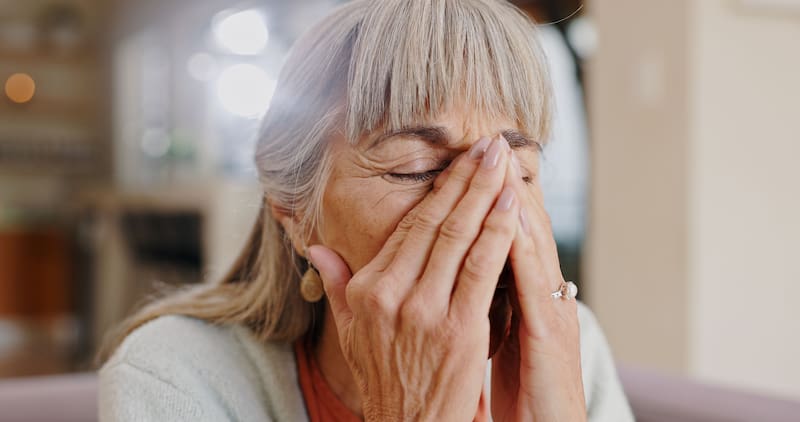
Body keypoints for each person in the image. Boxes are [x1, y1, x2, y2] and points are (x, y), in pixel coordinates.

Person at [99, 1, 633, 420]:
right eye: (416, 169)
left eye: (519, 172)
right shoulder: (176, 375)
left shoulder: (571, 342)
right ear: (294, 207)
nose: (485, 211)